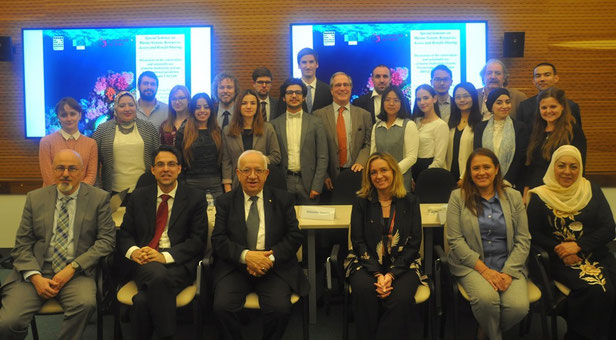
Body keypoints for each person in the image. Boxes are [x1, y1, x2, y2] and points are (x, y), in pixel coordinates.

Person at [0, 149, 115, 340]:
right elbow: (22, 244)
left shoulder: (99, 198)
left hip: (76, 272)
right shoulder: (35, 198)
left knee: (85, 305)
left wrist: (72, 268)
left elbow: (106, 241)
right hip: (35, 270)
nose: (65, 174)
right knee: (8, 322)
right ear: (52, 170)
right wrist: (35, 277)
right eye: (60, 168)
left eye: (72, 168)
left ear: (82, 171)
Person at [211, 150, 309, 340]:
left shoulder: (283, 199)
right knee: (221, 307)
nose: (253, 176)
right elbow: (219, 239)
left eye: (258, 170)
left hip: (273, 267)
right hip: (236, 267)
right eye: (246, 170)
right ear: (238, 174)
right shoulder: (225, 202)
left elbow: (295, 236)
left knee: (280, 308)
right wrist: (247, 256)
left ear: (267, 174)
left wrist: (268, 259)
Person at [117, 145, 207, 340]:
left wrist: (164, 257)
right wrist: (134, 252)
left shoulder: (195, 198)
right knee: (155, 274)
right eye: (160, 165)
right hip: (143, 262)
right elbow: (124, 234)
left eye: (171, 164)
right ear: (153, 170)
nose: (166, 169)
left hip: (178, 265)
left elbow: (197, 241)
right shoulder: (138, 196)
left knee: (142, 300)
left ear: (179, 169)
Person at [527, 145, 616, 340]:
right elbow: (532, 232)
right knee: (597, 290)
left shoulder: (590, 189)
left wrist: (580, 245)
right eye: (562, 166)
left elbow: (609, 228)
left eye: (573, 167)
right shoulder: (540, 196)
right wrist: (561, 249)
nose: (567, 172)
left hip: (594, 252)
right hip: (559, 259)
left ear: (580, 168)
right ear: (553, 167)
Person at [446, 148, 530, 340]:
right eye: (476, 168)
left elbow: (523, 239)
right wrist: (484, 270)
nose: (481, 172)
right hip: (471, 265)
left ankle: (486, 329)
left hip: (508, 262)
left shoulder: (514, 197)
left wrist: (509, 272)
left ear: (497, 169)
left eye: (486, 167)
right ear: (469, 172)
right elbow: (455, 240)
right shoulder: (457, 197)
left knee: (518, 307)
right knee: (486, 300)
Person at [345, 152, 423, 340]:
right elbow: (358, 241)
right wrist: (379, 274)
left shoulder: (410, 201)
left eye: (383, 170)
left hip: (403, 262)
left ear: (394, 172)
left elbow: (414, 243)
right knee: (365, 291)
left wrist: (391, 274)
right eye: (373, 172)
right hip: (365, 261)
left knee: (399, 298)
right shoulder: (361, 201)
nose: (379, 176)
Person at [270, 78, 328, 204]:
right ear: (284, 98)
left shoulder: (316, 122)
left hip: (309, 182)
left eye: (298, 92)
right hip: (284, 182)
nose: (294, 96)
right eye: (290, 92)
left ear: (304, 98)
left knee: (310, 223)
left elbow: (323, 156)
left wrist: (317, 186)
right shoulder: (274, 124)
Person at [524, 87, 586, 201]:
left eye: (553, 106)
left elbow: (578, 166)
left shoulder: (573, 132)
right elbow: (530, 165)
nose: (548, 111)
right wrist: (526, 191)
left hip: (560, 193)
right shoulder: (536, 130)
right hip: (536, 191)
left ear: (562, 106)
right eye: (544, 107)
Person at [313, 72, 372, 192]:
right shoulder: (318, 115)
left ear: (351, 88)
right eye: (338, 85)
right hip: (330, 177)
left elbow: (369, 143)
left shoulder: (364, 115)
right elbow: (315, 148)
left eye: (346, 85)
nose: (342, 88)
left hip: (357, 174)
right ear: (331, 90)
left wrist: (361, 162)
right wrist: (324, 175)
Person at [92, 91, 160, 193]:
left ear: (136, 107)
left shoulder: (149, 128)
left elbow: (158, 158)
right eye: (122, 106)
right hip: (113, 191)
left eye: (131, 105)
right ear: (115, 108)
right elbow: (94, 163)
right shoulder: (102, 130)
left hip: (145, 189)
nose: (127, 109)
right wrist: (97, 190)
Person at [221, 89, 281, 191]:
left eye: (253, 103)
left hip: (261, 184)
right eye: (244, 103)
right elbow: (226, 162)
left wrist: (258, 160)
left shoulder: (267, 128)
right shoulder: (228, 130)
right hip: (237, 184)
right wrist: (228, 188)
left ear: (257, 106)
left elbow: (276, 156)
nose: (249, 107)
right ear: (238, 106)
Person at [474, 88, 529, 191]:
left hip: (511, 184)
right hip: (485, 181)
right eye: (499, 103)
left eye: (507, 102)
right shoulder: (481, 127)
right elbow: (478, 154)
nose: (504, 106)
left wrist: (507, 181)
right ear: (491, 106)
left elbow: (520, 157)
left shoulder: (520, 127)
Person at [39, 97, 98, 186]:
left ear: (80, 115)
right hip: (53, 196)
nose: (69, 119)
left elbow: (91, 175)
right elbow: (48, 175)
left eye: (72, 114)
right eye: (63, 115)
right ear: (58, 117)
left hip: (82, 196)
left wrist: (76, 193)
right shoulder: (46, 142)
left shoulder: (91, 144)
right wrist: (64, 193)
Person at [175, 92, 224, 198]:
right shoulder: (183, 132)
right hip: (191, 185)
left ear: (211, 110)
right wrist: (183, 185)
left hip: (216, 185)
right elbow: (178, 161)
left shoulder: (218, 131)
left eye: (206, 107)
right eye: (198, 107)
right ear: (192, 110)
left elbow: (222, 161)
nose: (202, 110)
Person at [370, 86, 418, 191]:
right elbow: (373, 154)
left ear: (401, 103)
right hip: (380, 181)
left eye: (396, 100)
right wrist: (380, 174)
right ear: (383, 103)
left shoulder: (409, 125)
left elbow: (411, 157)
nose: (391, 104)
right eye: (387, 100)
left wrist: (390, 172)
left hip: (400, 179)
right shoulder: (376, 126)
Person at [517, 63, 582, 131]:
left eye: (547, 75)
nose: (542, 79)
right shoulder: (524, 106)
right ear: (533, 81)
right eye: (538, 76)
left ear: (556, 78)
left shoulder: (570, 106)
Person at [446, 82, 482, 186]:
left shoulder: (480, 123)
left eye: (466, 96)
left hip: (470, 177)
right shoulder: (449, 121)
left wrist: (464, 177)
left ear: (473, 98)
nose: (462, 100)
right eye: (458, 97)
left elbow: (477, 153)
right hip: (449, 175)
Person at [411, 84, 449, 181]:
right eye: (419, 99)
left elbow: (439, 160)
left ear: (434, 99)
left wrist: (423, 178)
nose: (422, 102)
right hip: (413, 168)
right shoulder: (415, 122)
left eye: (426, 98)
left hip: (430, 173)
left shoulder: (441, 125)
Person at [296, 48, 332, 113]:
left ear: (317, 64)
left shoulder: (327, 90)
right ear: (299, 65)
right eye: (304, 62)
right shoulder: (292, 89)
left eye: (311, 62)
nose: (308, 66)